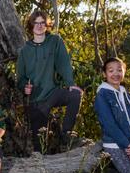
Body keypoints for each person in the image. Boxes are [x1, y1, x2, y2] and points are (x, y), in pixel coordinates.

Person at [16, 10, 83, 151]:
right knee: (39, 145)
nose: (39, 26)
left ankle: (66, 134)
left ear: (47, 25)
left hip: (53, 92)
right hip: (37, 100)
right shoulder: (24, 51)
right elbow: (20, 79)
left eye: (42, 23)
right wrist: (24, 87)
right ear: (31, 25)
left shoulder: (55, 41)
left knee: (75, 95)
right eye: (36, 22)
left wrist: (70, 83)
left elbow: (63, 63)